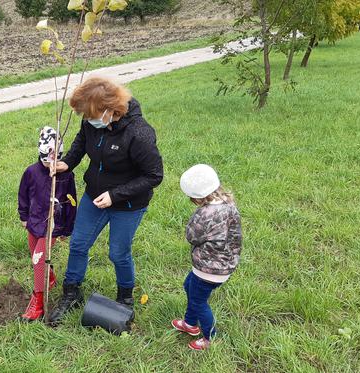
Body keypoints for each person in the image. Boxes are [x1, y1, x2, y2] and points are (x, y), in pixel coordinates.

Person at [48, 77, 163, 325]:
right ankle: (72, 292)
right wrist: (68, 161)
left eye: (91, 116)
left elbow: (154, 175)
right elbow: (82, 140)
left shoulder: (139, 134)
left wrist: (115, 195)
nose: (88, 121)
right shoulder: (93, 119)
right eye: (85, 117)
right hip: (94, 195)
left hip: (128, 205)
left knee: (118, 253)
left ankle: (124, 299)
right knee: (78, 244)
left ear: (110, 109)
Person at [171, 164, 242, 350]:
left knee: (199, 301)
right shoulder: (229, 204)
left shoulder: (204, 214)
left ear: (196, 197)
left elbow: (192, 236)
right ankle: (190, 324)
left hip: (208, 269)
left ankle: (210, 338)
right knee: (189, 286)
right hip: (225, 263)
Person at [18, 126, 77, 321]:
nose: (49, 165)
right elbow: (24, 195)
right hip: (34, 222)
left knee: (38, 259)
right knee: (35, 256)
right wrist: (24, 217)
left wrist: (66, 228)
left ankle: (38, 303)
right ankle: (48, 276)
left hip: (52, 227)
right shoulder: (31, 172)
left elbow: (70, 201)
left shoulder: (66, 175)